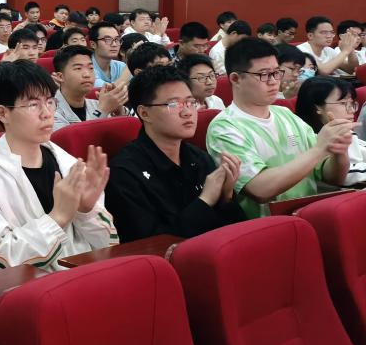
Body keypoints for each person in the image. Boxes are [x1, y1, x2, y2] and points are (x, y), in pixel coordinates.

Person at [0, 61, 116, 271]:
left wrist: (85, 211)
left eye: (50, 102)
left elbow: (107, 244)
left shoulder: (67, 162)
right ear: (3, 113)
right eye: (33, 105)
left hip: (86, 276)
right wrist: (58, 217)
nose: (47, 113)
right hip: (37, 288)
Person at [206, 38, 352, 218]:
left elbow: (332, 177)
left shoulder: (284, 113)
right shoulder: (224, 127)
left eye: (276, 72)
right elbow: (260, 189)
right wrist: (320, 148)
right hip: (268, 225)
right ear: (236, 79)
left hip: (310, 216)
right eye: (264, 74)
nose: (274, 81)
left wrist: (339, 151)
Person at [105, 65, 245, 243]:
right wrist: (206, 199)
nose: (187, 112)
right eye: (174, 104)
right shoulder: (125, 172)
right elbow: (150, 243)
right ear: (144, 113)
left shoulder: (198, 157)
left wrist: (226, 196)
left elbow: (236, 230)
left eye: (190, 102)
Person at [295, 76, 366, 186]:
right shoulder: (311, 140)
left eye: (352, 103)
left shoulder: (346, 132)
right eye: (343, 103)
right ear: (318, 107)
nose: (352, 110)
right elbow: (347, 175)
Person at [51, 46, 128, 130]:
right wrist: (103, 110)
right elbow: (75, 137)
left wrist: (119, 112)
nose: (87, 74)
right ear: (60, 77)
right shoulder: (49, 111)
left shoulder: (97, 104)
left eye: (91, 68)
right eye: (78, 68)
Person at [88, 21, 130, 89]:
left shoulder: (120, 66)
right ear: (93, 44)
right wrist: (131, 64)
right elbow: (108, 92)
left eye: (116, 39)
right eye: (107, 39)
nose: (114, 44)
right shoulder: (86, 68)